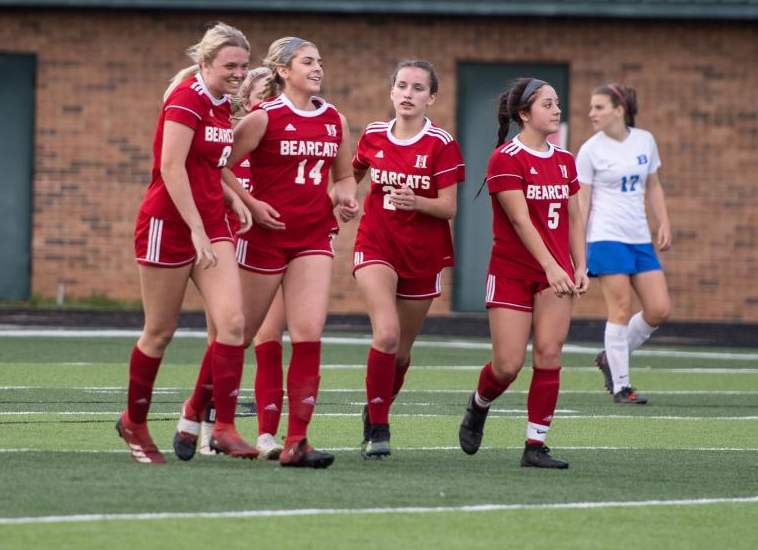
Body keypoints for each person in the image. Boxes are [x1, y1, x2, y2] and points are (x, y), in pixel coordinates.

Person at [116, 22, 256, 464]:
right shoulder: (187, 98)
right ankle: (133, 422)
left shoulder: (221, 104)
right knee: (160, 331)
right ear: (206, 63)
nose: (238, 73)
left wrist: (234, 198)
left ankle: (224, 427)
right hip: (169, 224)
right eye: (230, 65)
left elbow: (208, 166)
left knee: (232, 324)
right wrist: (195, 228)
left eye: (243, 66)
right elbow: (172, 168)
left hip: (211, 221)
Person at [233, 36, 359, 468]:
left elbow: (344, 176)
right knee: (247, 335)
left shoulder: (334, 120)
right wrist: (250, 206)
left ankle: (295, 441)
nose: (318, 67)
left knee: (308, 331)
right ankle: (201, 415)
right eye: (308, 61)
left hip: (312, 236)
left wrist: (346, 198)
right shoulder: (262, 118)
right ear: (283, 71)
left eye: (320, 61)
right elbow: (214, 166)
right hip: (264, 238)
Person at [457, 78, 587, 469]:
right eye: (548, 104)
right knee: (508, 365)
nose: (557, 110)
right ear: (524, 114)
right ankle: (479, 405)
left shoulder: (565, 161)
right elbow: (520, 221)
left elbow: (575, 217)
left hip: (556, 275)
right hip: (513, 271)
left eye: (558, 102)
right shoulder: (505, 158)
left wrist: (580, 264)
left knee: (549, 353)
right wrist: (551, 265)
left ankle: (536, 445)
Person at [352, 60, 465, 458]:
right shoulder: (373, 134)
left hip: (422, 252)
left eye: (418, 88)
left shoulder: (441, 143)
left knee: (400, 352)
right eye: (401, 85)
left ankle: (376, 407)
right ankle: (380, 430)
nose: (407, 93)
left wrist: (417, 201)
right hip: (376, 243)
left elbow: (449, 207)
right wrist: (344, 199)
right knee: (385, 334)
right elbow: (350, 177)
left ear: (431, 98)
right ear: (391, 92)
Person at [178, 67, 290, 460]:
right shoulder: (233, 137)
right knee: (225, 337)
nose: (270, 101)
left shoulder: (286, 135)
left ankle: (266, 435)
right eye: (263, 93)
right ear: (246, 98)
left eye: (275, 92)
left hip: (268, 246)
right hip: (230, 244)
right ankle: (207, 422)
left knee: (269, 338)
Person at [576, 83, 672, 405]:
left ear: (620, 110)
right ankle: (621, 386)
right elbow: (583, 202)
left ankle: (610, 357)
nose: (592, 113)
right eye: (591, 108)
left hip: (639, 238)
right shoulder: (590, 150)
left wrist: (664, 222)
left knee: (658, 309)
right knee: (619, 309)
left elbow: (653, 186)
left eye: (599, 107)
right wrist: (579, 247)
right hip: (606, 237)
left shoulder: (645, 140)